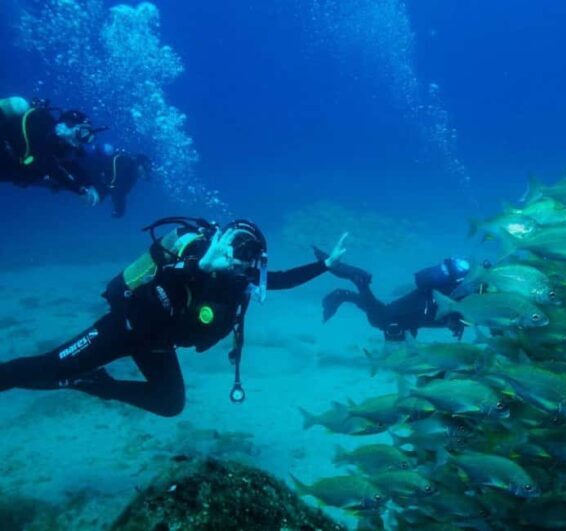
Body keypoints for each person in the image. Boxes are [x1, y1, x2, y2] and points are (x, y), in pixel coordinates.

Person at [0, 217, 348, 416]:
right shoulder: (197, 254)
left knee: (170, 403)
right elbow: (160, 286)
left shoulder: (239, 280)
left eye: (251, 254)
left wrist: (325, 266)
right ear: (224, 242)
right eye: (237, 249)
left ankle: (93, 383)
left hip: (157, 344)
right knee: (46, 368)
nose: (240, 260)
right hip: (124, 328)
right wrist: (200, 266)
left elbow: (283, 280)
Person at [320, 255, 472, 342]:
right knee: (379, 318)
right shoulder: (461, 302)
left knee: (381, 314)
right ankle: (359, 282)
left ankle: (349, 291)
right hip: (411, 311)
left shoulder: (460, 299)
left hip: (415, 311)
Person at [0, 96, 105, 206]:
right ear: (68, 127)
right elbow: (46, 163)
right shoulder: (39, 124)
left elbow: (69, 164)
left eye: (88, 137)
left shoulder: (62, 145)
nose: (84, 139)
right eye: (83, 133)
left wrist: (88, 183)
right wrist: (79, 189)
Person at [79, 142, 151, 217]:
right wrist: (120, 209)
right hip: (88, 171)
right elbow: (119, 192)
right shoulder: (129, 167)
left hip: (90, 172)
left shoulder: (130, 168)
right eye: (146, 167)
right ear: (140, 164)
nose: (146, 172)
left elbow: (117, 190)